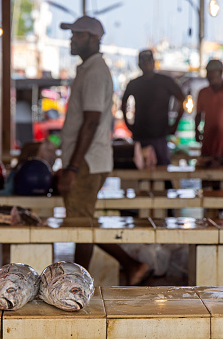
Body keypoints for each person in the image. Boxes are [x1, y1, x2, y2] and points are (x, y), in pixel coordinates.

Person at [58, 16, 150, 285]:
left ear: (94, 39)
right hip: (84, 159)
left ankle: (79, 283)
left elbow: (91, 121)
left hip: (85, 161)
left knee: (81, 224)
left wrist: (73, 167)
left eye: (77, 34)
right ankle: (119, 268)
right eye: (72, 34)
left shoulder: (96, 71)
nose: (71, 39)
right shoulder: (87, 69)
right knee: (82, 223)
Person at [121, 49, 186, 166]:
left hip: (160, 135)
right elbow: (124, 102)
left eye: (148, 61)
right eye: (143, 62)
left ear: (153, 62)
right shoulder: (134, 84)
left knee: (163, 171)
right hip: (140, 135)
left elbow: (182, 100)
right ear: (139, 65)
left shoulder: (165, 81)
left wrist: (175, 124)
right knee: (141, 172)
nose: (146, 65)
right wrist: (128, 124)